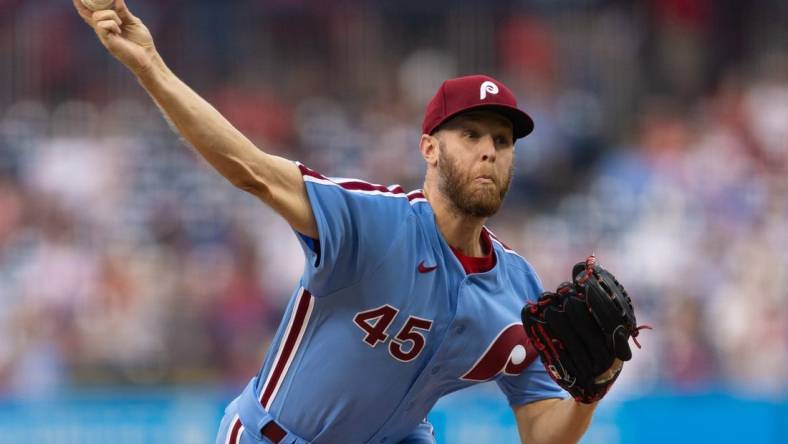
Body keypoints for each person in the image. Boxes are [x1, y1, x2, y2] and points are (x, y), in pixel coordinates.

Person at [73, 1, 619, 442]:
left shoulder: (516, 290)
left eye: (502, 141)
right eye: (471, 134)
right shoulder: (373, 221)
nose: (489, 152)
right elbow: (251, 170)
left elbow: (543, 433)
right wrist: (150, 66)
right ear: (429, 148)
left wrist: (590, 393)